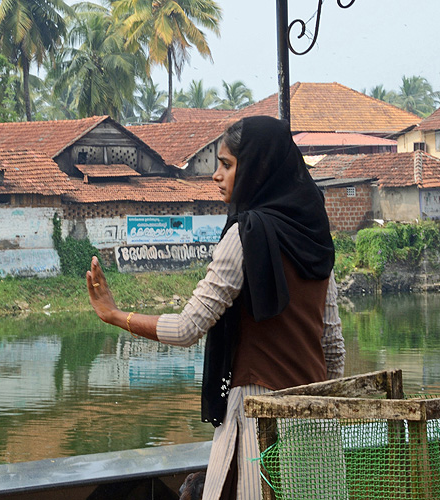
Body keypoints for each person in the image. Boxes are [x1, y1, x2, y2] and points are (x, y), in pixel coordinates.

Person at [86, 115, 346, 500]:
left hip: (256, 423)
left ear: (256, 168)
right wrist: (315, 407)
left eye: (226, 165)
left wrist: (114, 314)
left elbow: (187, 328)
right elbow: (334, 350)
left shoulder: (245, 236)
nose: (215, 175)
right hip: (315, 433)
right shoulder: (316, 242)